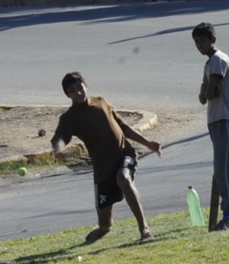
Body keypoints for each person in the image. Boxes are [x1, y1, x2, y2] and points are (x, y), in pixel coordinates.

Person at [50, 72, 162, 244]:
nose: (78, 93)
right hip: (102, 167)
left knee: (123, 179)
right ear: (67, 95)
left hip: (124, 153)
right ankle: (104, 229)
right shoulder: (68, 118)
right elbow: (59, 138)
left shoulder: (102, 102)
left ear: (86, 85)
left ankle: (144, 229)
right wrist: (60, 150)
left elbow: (123, 126)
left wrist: (148, 143)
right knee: (105, 222)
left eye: (80, 87)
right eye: (73, 91)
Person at [192, 22, 229, 231]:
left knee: (223, 168)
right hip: (216, 118)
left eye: (203, 41)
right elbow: (203, 96)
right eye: (196, 43)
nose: (200, 46)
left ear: (213, 40)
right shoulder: (209, 64)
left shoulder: (218, 60)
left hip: (225, 117)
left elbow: (208, 93)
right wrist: (207, 92)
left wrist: (207, 91)